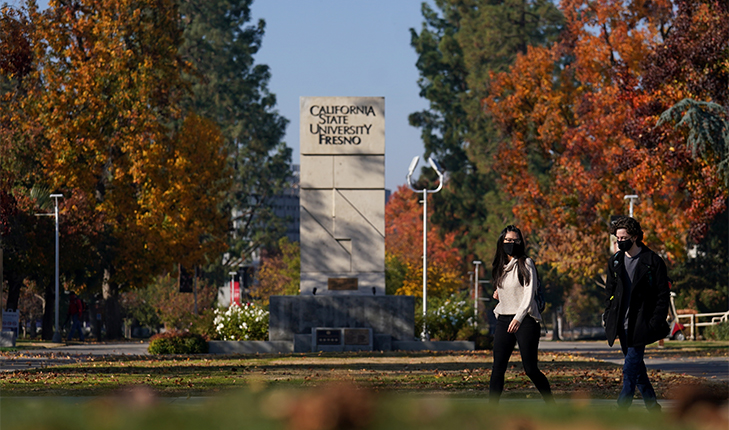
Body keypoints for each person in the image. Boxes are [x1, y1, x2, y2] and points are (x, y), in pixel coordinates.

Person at [603, 216, 670, 411]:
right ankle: (652, 406)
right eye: (617, 238)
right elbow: (609, 292)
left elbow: (662, 295)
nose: (620, 241)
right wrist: (608, 316)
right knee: (637, 368)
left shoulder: (652, 261)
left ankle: (622, 406)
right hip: (620, 323)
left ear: (634, 237)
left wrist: (655, 321)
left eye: (623, 237)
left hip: (641, 322)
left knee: (629, 367)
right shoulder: (615, 261)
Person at [489, 225, 553, 403]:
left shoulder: (526, 263)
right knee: (498, 367)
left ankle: (551, 404)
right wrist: (498, 293)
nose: (512, 243)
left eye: (516, 240)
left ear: (521, 242)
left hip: (525, 320)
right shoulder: (500, 267)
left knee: (530, 368)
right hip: (503, 319)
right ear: (502, 242)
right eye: (508, 240)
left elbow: (528, 293)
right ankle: (491, 408)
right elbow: (506, 291)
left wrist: (518, 317)